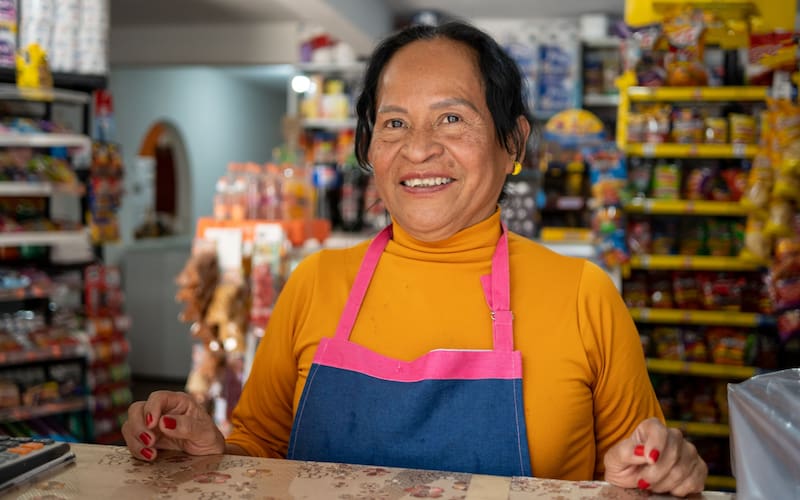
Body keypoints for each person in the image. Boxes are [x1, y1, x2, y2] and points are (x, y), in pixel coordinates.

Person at [122, 20, 707, 496]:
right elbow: (259, 453)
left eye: (452, 118)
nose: (419, 148)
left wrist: (660, 472)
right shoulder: (315, 282)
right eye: (395, 123)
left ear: (514, 142)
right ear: (371, 147)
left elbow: (636, 473)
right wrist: (209, 455)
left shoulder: (583, 295)